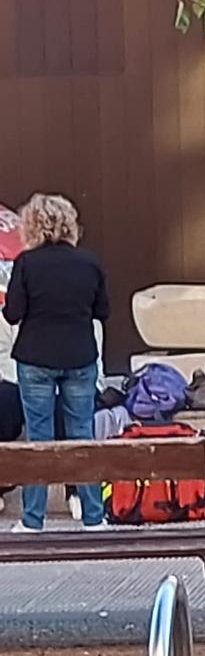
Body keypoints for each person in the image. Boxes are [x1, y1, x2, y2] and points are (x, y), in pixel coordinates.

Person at [3, 194, 109, 533]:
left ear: (31, 226)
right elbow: (102, 310)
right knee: (82, 435)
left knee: (39, 438)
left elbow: (12, 314)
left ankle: (34, 520)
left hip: (35, 358)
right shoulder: (89, 263)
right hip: (80, 356)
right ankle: (94, 517)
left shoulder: (26, 264)